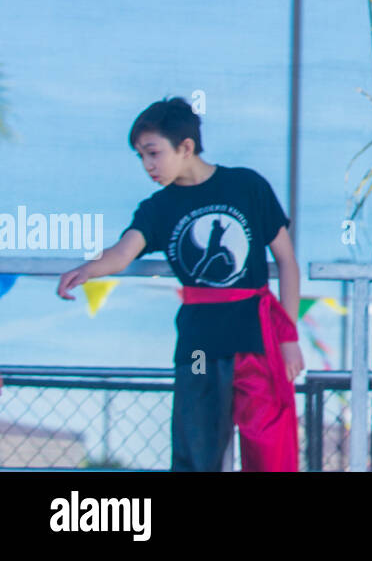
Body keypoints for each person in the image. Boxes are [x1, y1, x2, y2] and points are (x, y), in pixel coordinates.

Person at [57, 97, 302, 472]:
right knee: (197, 443)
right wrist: (87, 270)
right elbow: (123, 253)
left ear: (185, 147)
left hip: (255, 337)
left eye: (153, 153)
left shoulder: (246, 185)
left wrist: (289, 337)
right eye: (141, 156)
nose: (147, 165)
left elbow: (286, 262)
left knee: (269, 445)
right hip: (201, 346)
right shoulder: (158, 208)